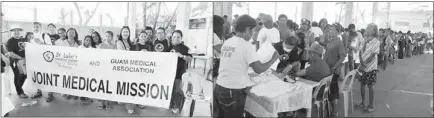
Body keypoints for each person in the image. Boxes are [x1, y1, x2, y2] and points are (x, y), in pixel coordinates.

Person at [213, 14, 280, 118]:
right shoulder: (246, 45)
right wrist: (274, 58)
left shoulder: (228, 42)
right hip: (232, 92)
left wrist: (246, 81)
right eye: (253, 31)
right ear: (248, 29)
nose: (253, 34)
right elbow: (258, 69)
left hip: (219, 87)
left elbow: (233, 66)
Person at [355, 23, 380, 113]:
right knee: (362, 84)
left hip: (371, 67)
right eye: (368, 27)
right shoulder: (364, 39)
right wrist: (361, 62)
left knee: (370, 86)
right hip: (362, 66)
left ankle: (371, 105)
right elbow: (361, 51)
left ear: (374, 31)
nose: (368, 28)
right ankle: (363, 102)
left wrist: (364, 64)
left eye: (370, 27)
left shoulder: (376, 41)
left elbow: (373, 56)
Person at [323, 23, 347, 116]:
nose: (331, 31)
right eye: (330, 30)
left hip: (334, 70)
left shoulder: (339, 42)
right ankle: (328, 107)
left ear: (338, 32)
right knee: (328, 89)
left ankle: (334, 110)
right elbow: (326, 54)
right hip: (327, 68)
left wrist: (335, 66)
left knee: (333, 89)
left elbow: (342, 57)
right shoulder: (331, 41)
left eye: (333, 30)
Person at [168, 30, 192, 114]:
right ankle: (171, 104)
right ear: (172, 38)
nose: (176, 39)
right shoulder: (169, 47)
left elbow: (190, 59)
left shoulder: (185, 48)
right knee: (170, 90)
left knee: (178, 90)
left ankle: (177, 107)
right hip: (169, 73)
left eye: (178, 37)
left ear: (181, 38)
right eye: (174, 37)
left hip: (180, 73)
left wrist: (182, 56)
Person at [115, 26, 136, 114]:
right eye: (124, 32)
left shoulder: (130, 42)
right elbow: (122, 53)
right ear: (121, 33)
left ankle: (127, 103)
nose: (125, 33)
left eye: (127, 32)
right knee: (123, 83)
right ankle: (122, 100)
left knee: (127, 84)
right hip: (122, 66)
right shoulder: (119, 42)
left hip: (129, 67)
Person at [6, 25, 28, 99]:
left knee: (25, 75)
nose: (16, 32)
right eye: (14, 31)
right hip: (16, 61)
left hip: (24, 61)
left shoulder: (23, 39)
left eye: (18, 30)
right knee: (18, 76)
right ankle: (20, 92)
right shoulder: (10, 41)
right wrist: (21, 58)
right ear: (12, 32)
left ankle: (19, 87)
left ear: (20, 31)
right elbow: (11, 53)